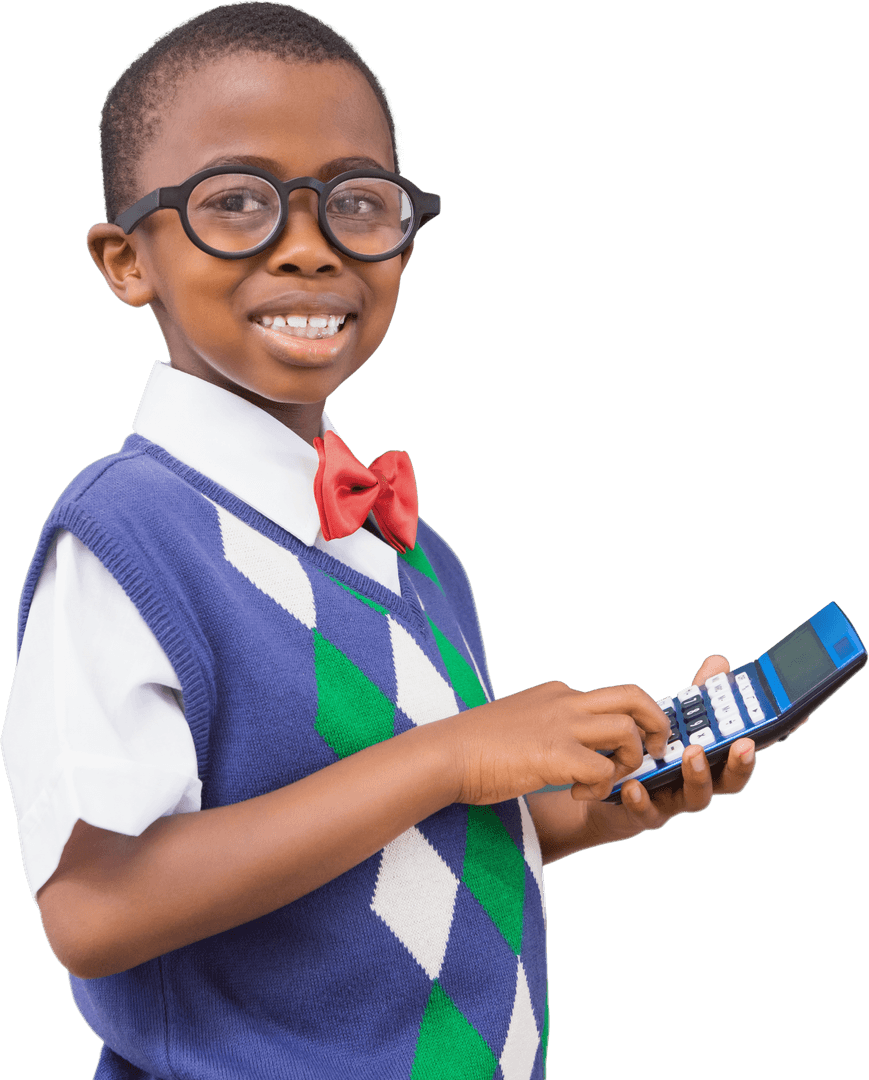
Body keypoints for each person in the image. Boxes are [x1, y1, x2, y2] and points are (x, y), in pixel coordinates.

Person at [2, 5, 757, 1078]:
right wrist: (450, 755)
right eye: (236, 203)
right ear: (128, 261)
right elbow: (92, 906)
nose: (309, 249)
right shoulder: (123, 537)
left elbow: (393, 846)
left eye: (358, 202)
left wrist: (583, 804)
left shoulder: (403, 546)